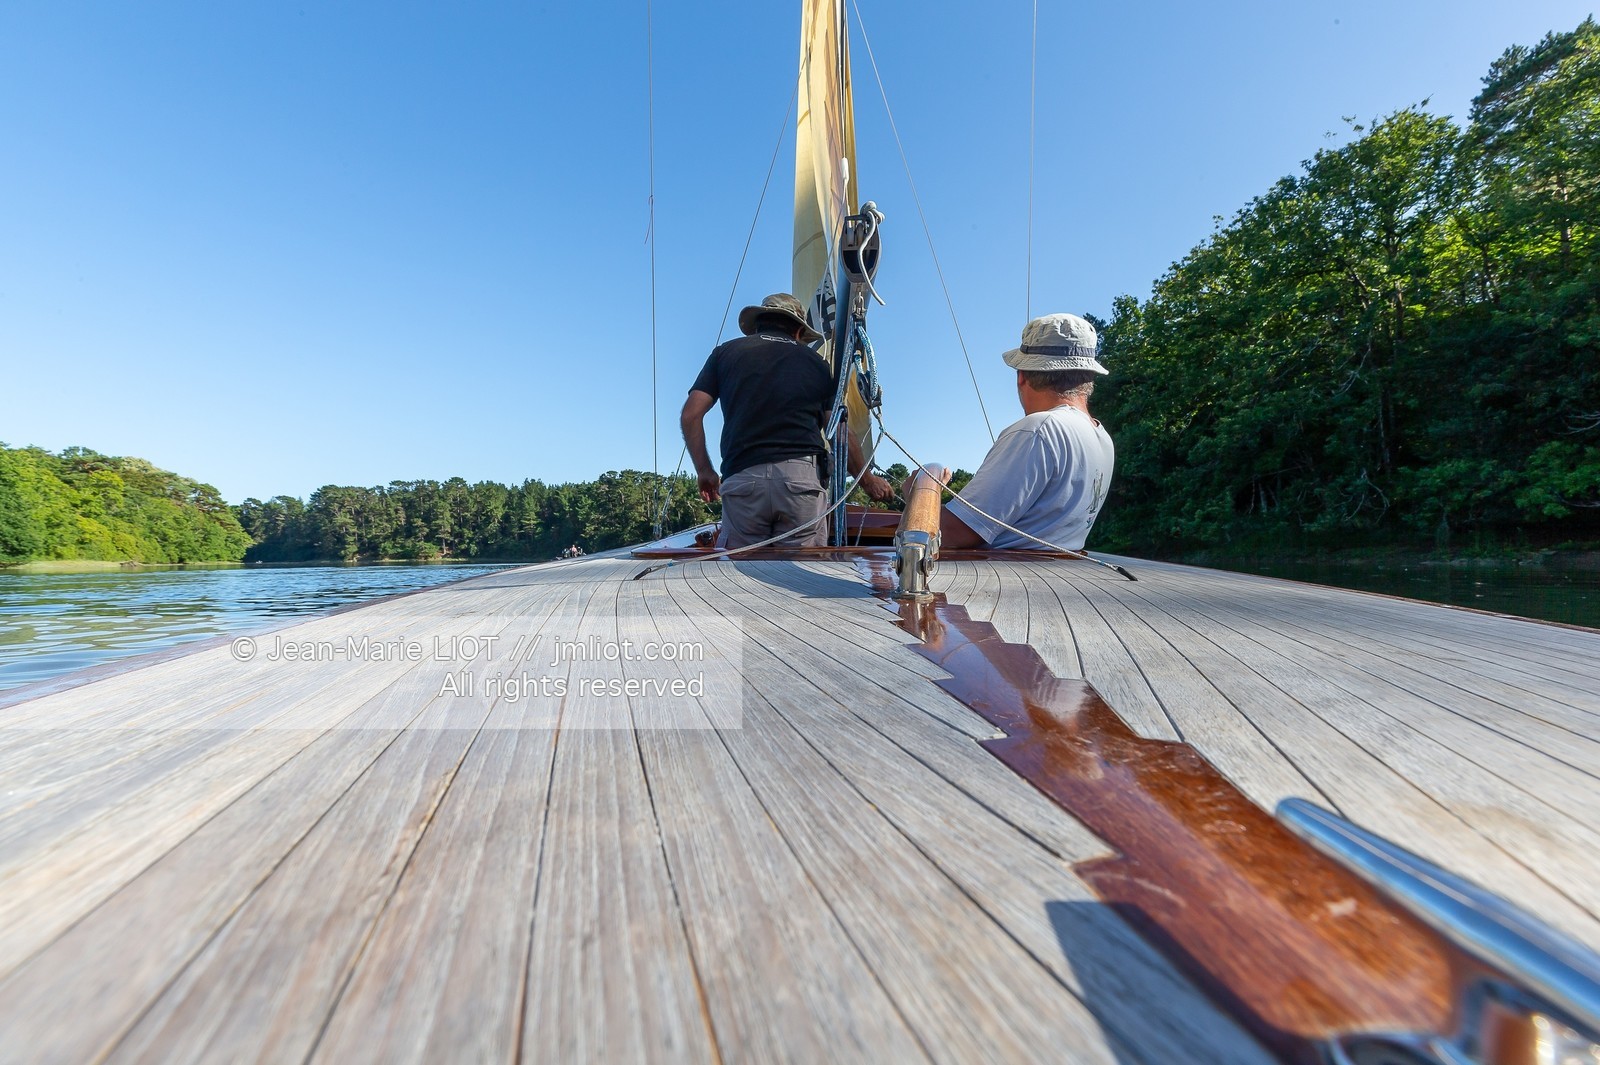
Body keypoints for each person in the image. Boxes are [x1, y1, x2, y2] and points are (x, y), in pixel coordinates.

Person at [681, 292, 893, 548]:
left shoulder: (725, 353)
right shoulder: (816, 364)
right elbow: (839, 430)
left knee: (741, 570)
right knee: (800, 569)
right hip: (800, 483)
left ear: (758, 324)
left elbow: (691, 415)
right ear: (798, 331)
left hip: (743, 480)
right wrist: (868, 481)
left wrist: (705, 471)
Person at [928, 312, 1115, 551]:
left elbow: (952, 534)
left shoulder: (1039, 430)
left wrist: (923, 492)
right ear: (1088, 377)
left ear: (1022, 376)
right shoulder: (1102, 439)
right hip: (1056, 571)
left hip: (1005, 572)